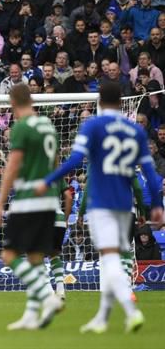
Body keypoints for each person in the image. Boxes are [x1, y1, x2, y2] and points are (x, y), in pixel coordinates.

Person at [35, 81, 163, 333]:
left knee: (109, 258)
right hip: (125, 206)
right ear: (120, 100)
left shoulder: (92, 125)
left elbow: (74, 161)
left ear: (100, 100)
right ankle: (103, 317)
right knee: (115, 257)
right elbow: (148, 171)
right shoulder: (134, 130)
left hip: (102, 205)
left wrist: (48, 180)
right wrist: (156, 204)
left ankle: (130, 309)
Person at [0, 83, 63, 330]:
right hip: (50, 199)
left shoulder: (21, 127)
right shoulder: (48, 125)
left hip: (28, 199)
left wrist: (0, 203)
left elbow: (12, 166)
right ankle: (32, 315)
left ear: (12, 102)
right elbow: (56, 163)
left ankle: (47, 298)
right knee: (35, 258)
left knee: (9, 255)